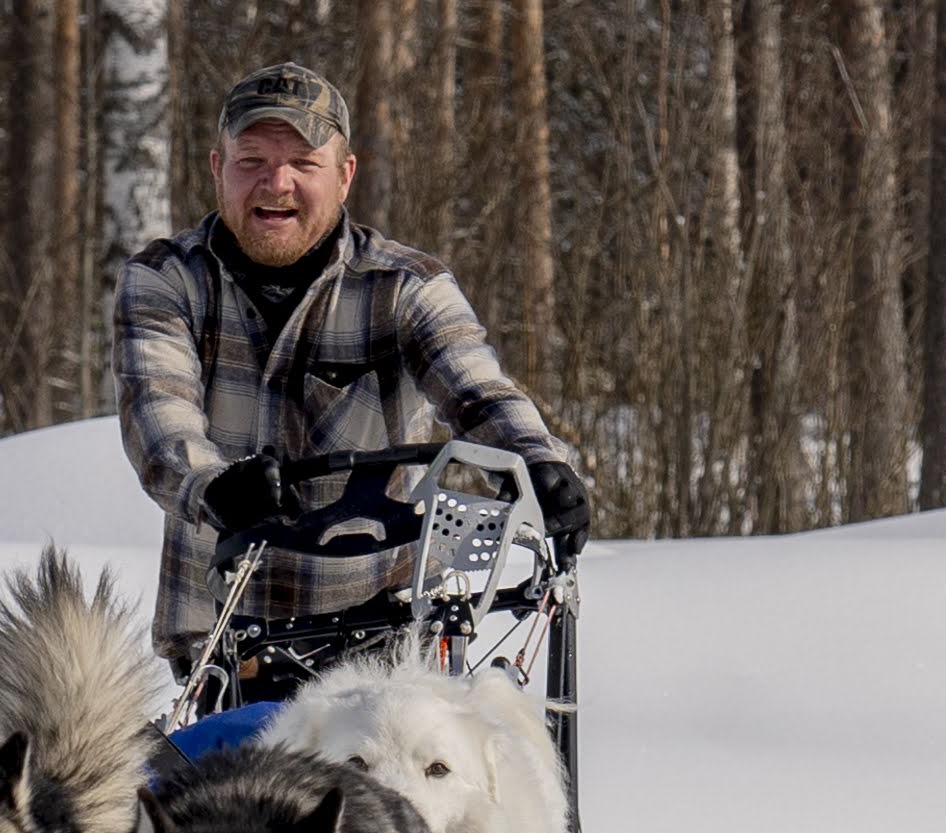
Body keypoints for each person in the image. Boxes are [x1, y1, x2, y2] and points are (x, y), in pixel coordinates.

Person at [114, 61, 592, 671]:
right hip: (225, 644)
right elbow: (160, 419)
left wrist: (540, 462)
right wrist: (214, 486)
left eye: (304, 164)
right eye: (251, 160)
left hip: (390, 639)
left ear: (344, 177)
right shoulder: (164, 280)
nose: (275, 183)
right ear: (218, 170)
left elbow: (480, 391)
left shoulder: (407, 288)